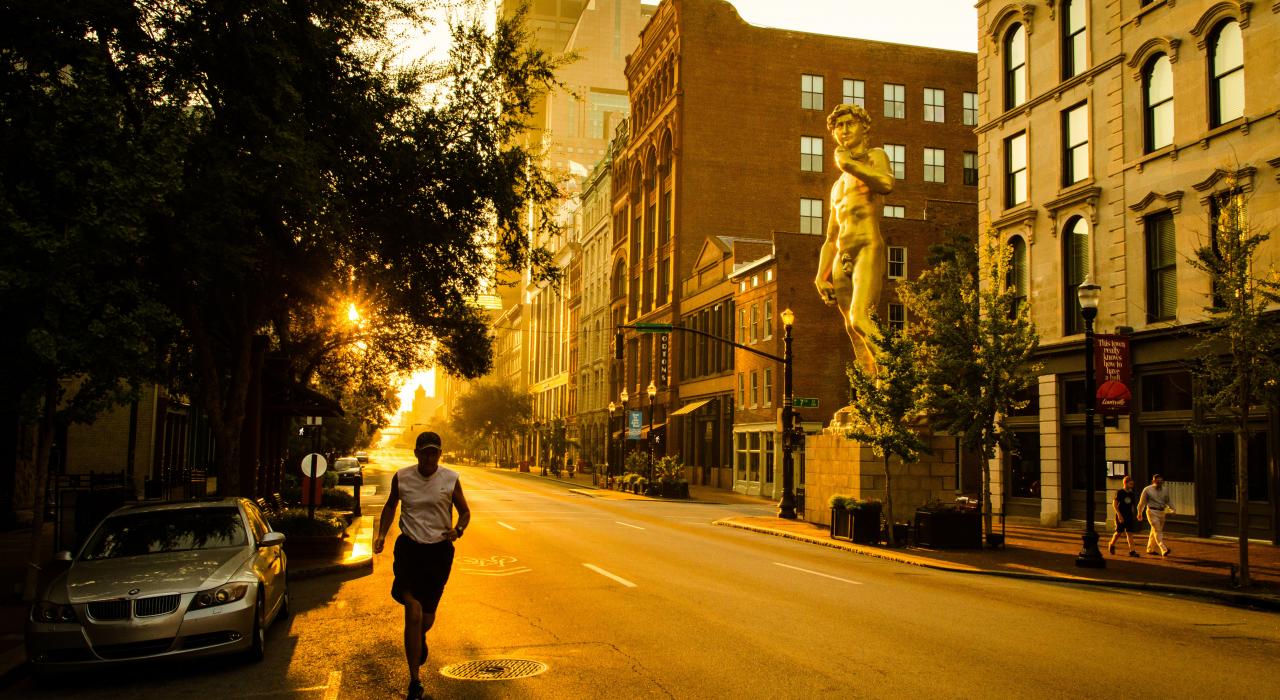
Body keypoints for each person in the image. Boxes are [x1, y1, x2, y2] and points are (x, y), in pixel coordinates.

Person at [374, 431, 471, 700]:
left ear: (440, 454)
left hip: (439, 553)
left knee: (426, 618)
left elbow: (465, 511)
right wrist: (382, 534)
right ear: (416, 453)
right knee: (413, 612)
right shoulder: (402, 477)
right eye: (425, 452)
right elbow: (391, 506)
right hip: (410, 550)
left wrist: (458, 529)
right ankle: (414, 680)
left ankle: (420, 639)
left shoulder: (450, 479)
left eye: (434, 452)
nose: (430, 457)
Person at [814, 103, 895, 375]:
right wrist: (819, 275)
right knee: (851, 327)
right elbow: (830, 237)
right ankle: (869, 395)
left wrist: (849, 164)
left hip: (867, 247)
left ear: (864, 127)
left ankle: (896, 378)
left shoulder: (875, 156)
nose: (844, 130)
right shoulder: (837, 186)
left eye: (850, 123)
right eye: (839, 126)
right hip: (840, 257)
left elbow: (886, 184)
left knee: (861, 318)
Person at [1136, 473, 1174, 557]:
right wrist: (1139, 513)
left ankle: (1150, 549)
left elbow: (1168, 500)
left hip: (1161, 512)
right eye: (1158, 481)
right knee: (1158, 530)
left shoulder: (1165, 490)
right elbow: (1141, 502)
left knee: (1155, 530)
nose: (1160, 482)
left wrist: (1173, 509)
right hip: (1152, 511)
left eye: (1161, 481)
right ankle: (1164, 549)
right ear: (1153, 481)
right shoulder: (1147, 490)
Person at [1108, 475, 1141, 557]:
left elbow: (1132, 505)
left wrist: (1134, 514)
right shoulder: (1120, 492)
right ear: (1125, 483)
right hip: (1121, 514)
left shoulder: (1131, 493)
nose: (1131, 486)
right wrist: (1119, 515)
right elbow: (1114, 504)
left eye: (1132, 485)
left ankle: (1132, 551)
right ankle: (1112, 544)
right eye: (1130, 484)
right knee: (1119, 532)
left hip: (1129, 515)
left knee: (1130, 533)